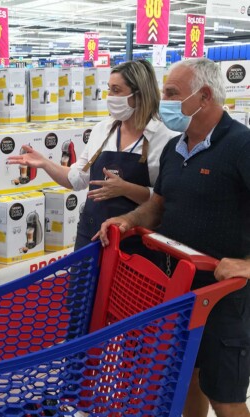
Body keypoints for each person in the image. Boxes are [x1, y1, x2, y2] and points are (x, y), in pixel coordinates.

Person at [96, 58, 250, 417]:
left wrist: (248, 264)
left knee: (224, 396)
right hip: (176, 286)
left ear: (204, 96)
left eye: (170, 93)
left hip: (224, 294)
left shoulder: (241, 146)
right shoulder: (174, 149)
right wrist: (127, 220)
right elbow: (158, 206)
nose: (162, 101)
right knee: (185, 378)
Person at [7, 59, 176, 251]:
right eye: (109, 89)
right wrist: (45, 163)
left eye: (116, 90)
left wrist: (126, 189)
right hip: (91, 235)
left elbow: (163, 202)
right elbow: (76, 179)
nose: (109, 97)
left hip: (133, 241)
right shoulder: (102, 130)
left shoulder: (165, 137)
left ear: (139, 95)